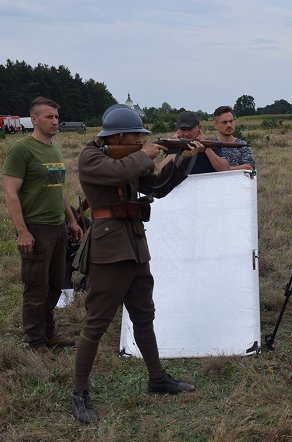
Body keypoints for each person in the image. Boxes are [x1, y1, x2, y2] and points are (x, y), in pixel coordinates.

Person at [71, 105, 201, 424]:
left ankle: (157, 379)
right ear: (119, 137)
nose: (141, 140)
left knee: (144, 315)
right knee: (96, 322)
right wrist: (146, 153)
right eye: (136, 136)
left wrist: (182, 161)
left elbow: (155, 188)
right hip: (108, 251)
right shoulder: (91, 157)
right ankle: (79, 392)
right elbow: (118, 173)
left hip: (135, 245)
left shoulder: (128, 158)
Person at [2, 96, 83, 354]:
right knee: (36, 288)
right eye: (49, 117)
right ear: (34, 119)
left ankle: (49, 333)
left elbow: (59, 190)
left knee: (55, 284)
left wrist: (71, 220)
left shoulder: (55, 149)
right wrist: (23, 231)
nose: (55, 121)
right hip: (36, 228)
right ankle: (35, 341)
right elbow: (10, 193)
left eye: (56, 117)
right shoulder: (22, 149)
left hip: (58, 227)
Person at [157, 111, 230, 174]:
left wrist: (205, 147)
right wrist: (174, 145)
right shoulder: (173, 147)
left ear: (199, 128)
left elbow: (225, 169)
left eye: (190, 129)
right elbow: (161, 171)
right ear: (177, 130)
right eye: (183, 129)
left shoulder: (212, 143)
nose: (186, 134)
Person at [212, 105, 255, 170]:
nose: (229, 125)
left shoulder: (242, 145)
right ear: (215, 125)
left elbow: (249, 167)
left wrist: (226, 169)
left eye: (231, 121)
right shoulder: (211, 146)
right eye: (224, 122)